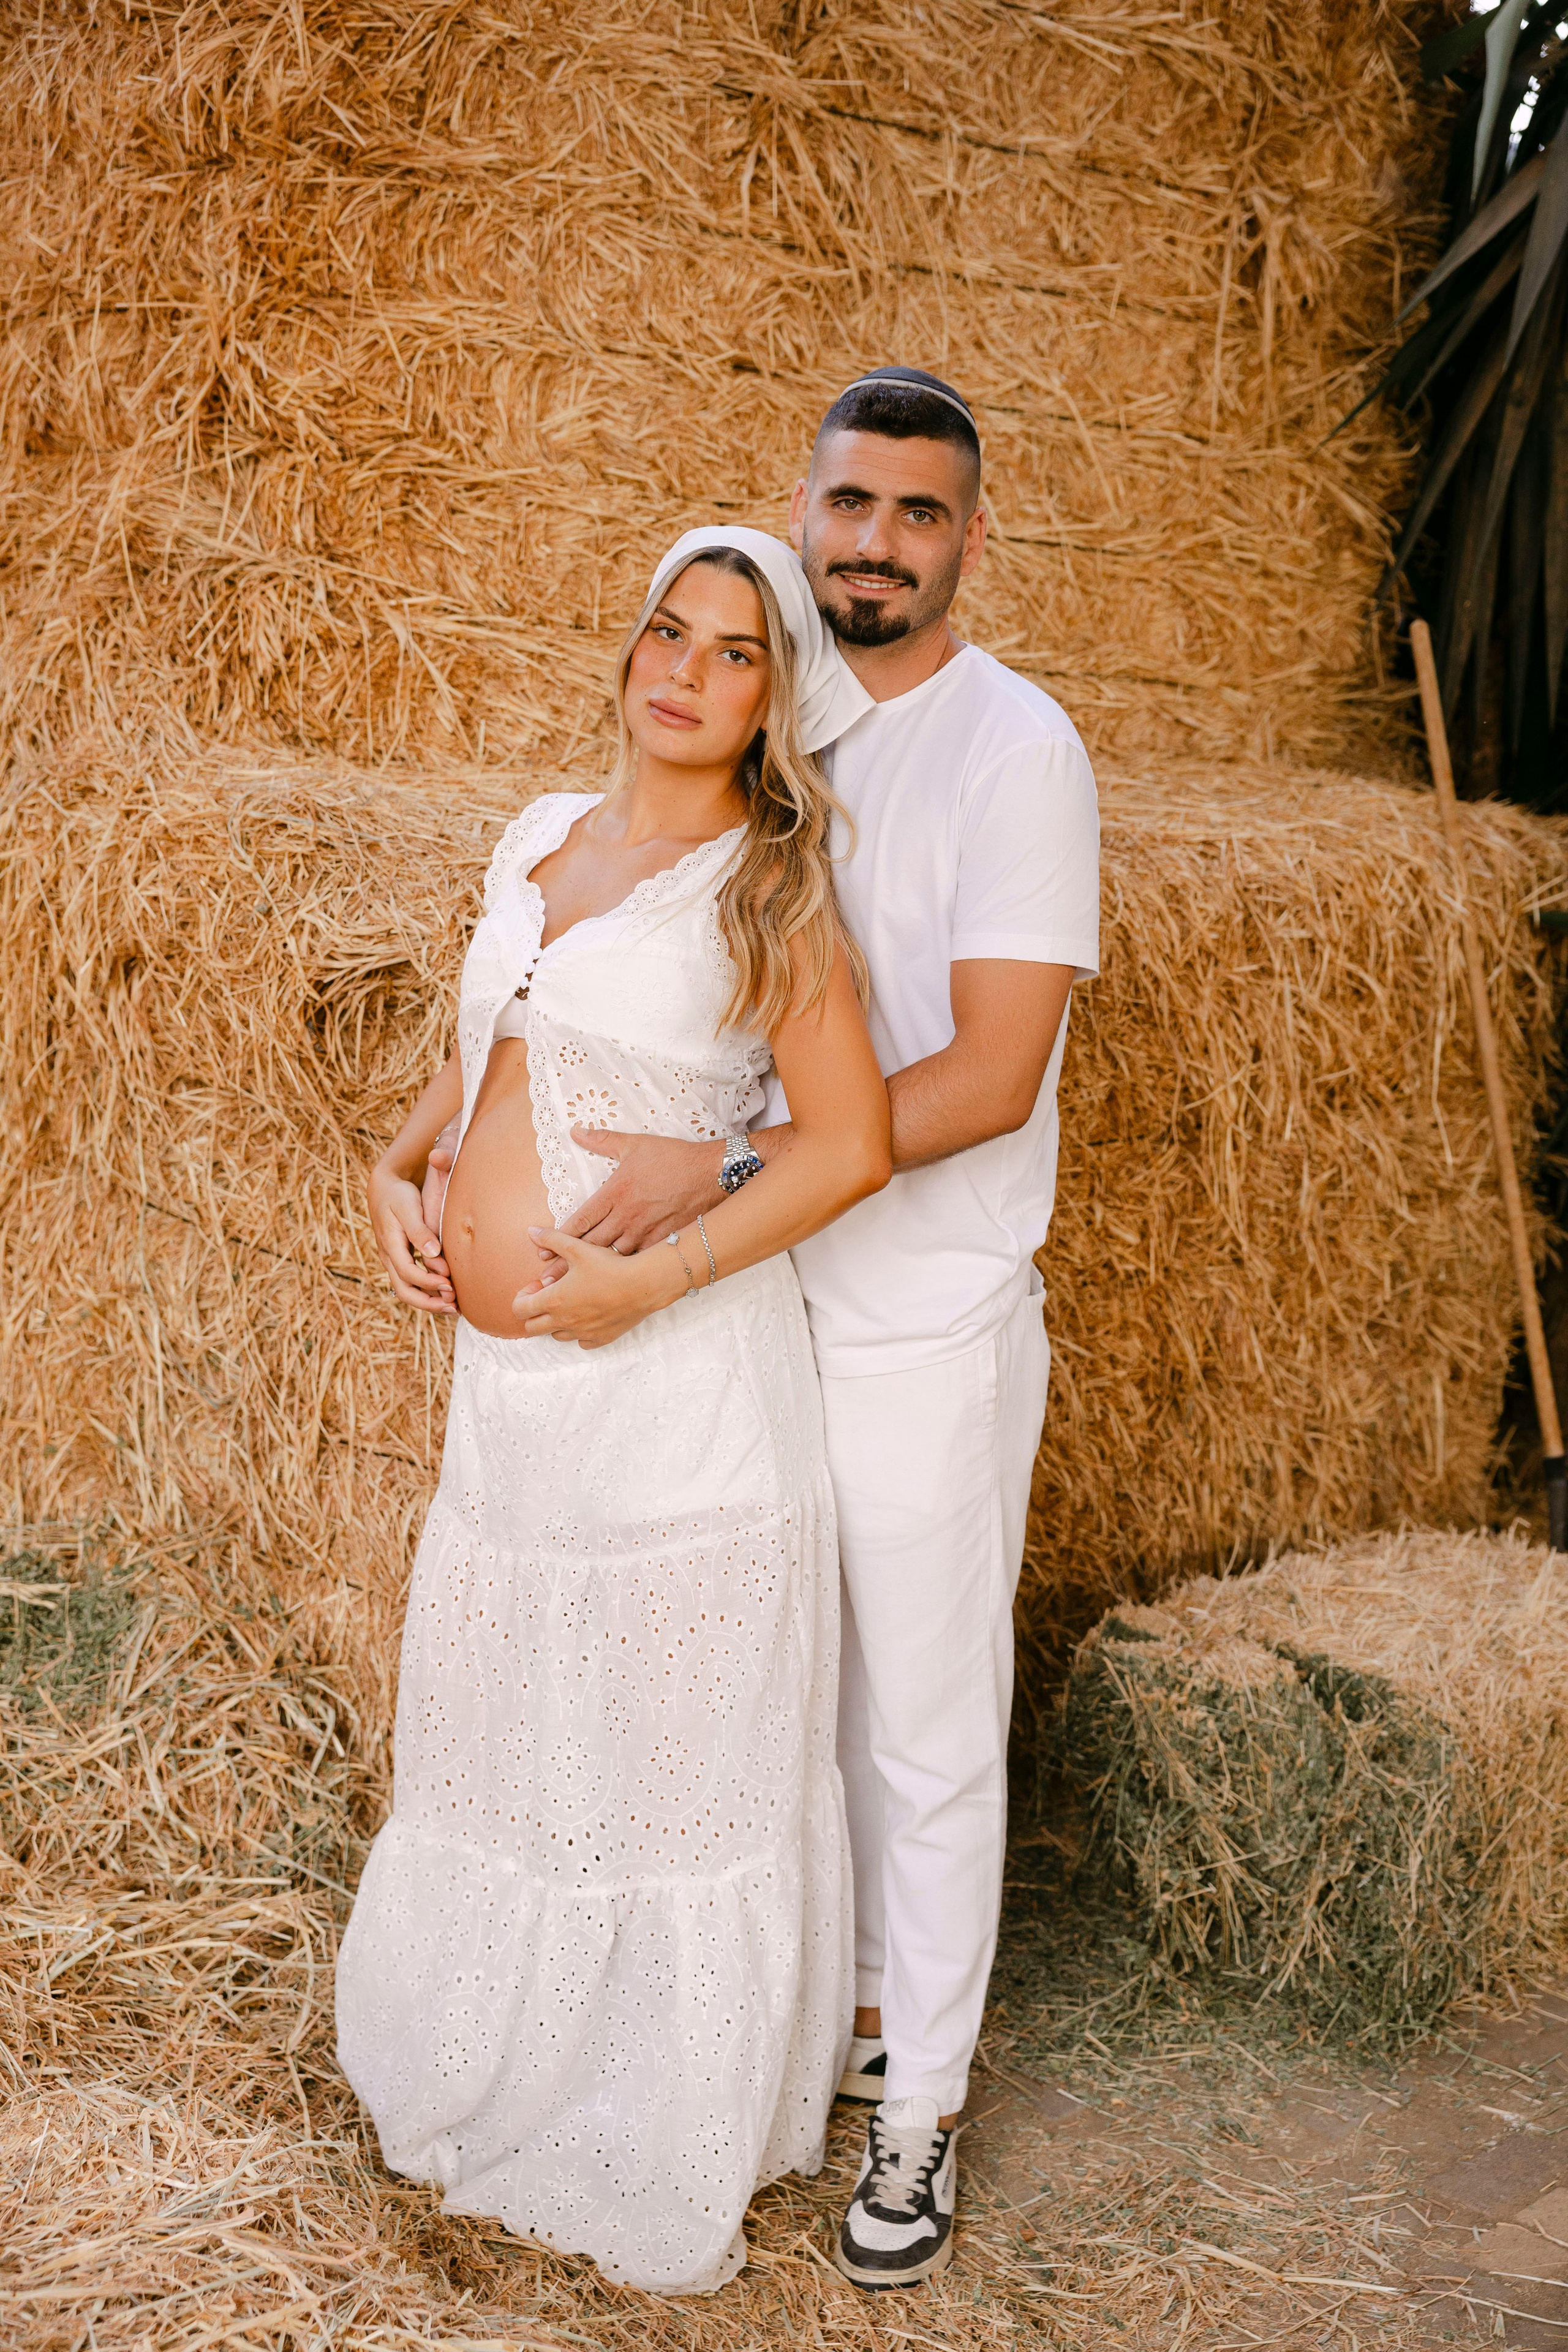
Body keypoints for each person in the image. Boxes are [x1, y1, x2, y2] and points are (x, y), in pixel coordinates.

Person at [412, 366, 1101, 2291]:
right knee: (771, 1710)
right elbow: (571, 1007)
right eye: (850, 504)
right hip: (741, 1326)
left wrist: (715, 1176)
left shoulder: (1012, 748)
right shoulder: (758, 716)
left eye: (920, 513)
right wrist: (446, 1153)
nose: (876, 541)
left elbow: (985, 1073)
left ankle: (923, 2117)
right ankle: (801, 2035)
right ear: (805, 511)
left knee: (923, 1725)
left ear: (972, 535)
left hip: (910, 1316)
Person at [337, 527, 892, 2297]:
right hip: (512, 1403)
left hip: (680, 1400)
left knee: (653, 1759)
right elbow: (490, 1042)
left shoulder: (768, 890)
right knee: (524, 1731)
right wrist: (398, 1163)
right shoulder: (539, 838)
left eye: (735, 654)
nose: (686, 670)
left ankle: (641, 2119)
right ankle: (502, 2065)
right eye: (671, 630)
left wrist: (661, 1274)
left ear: (773, 700)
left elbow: (852, 1143)